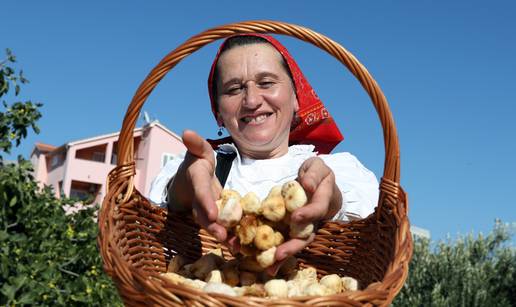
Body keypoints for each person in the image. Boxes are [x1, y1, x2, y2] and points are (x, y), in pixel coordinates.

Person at [149, 34, 379, 274]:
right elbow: (169, 204)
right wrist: (188, 181)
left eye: (267, 83)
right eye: (234, 88)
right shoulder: (207, 164)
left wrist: (330, 198)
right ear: (218, 112)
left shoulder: (335, 168)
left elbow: (370, 222)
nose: (251, 100)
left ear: (296, 98)